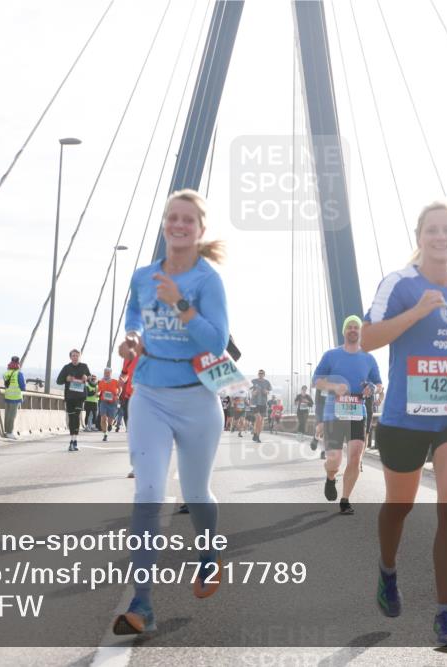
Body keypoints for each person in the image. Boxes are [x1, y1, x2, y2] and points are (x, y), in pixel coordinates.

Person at [361, 201, 447, 648]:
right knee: (399, 506)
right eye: (432, 230)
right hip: (405, 416)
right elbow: (367, 338)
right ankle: (387, 569)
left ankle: (445, 615)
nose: (440, 237)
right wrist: (416, 312)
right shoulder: (400, 284)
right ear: (419, 236)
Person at [112, 189, 230, 635]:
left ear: (200, 230)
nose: (178, 225)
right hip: (150, 396)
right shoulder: (143, 276)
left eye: (188, 220)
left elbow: (216, 340)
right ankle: (142, 603)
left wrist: (181, 303)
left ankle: (208, 552)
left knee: (196, 494)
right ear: (164, 224)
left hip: (198, 398)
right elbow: (134, 312)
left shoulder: (207, 281)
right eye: (172, 218)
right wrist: (131, 337)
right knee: (147, 492)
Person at [313, 316, 382, 515]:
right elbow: (316, 381)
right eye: (349, 327)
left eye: (356, 327)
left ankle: (345, 499)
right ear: (344, 331)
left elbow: (378, 383)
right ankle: (330, 477)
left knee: (355, 457)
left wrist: (372, 388)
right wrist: (334, 387)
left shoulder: (368, 358)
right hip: (333, 414)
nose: (352, 330)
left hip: (357, 413)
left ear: (360, 332)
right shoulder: (331, 355)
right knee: (334, 460)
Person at [56, 349, 90, 452]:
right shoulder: (66, 368)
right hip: (70, 397)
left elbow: (91, 380)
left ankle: (74, 441)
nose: (75, 357)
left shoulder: (84, 366)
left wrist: (87, 378)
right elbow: (58, 381)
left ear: (79, 357)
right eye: (73, 356)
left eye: (77, 356)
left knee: (76, 417)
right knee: (71, 419)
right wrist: (66, 379)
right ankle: (72, 440)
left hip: (80, 397)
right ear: (70, 357)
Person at [3, 356, 26, 439]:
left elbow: (6, 384)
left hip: (7, 396)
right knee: (12, 416)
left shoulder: (6, 373)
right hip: (15, 397)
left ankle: (6, 431)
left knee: (7, 414)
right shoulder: (19, 374)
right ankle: (10, 432)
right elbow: (23, 387)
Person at [97, 367, 121, 441]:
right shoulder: (101, 382)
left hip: (113, 402)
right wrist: (97, 393)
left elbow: (120, 388)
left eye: (108, 373)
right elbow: (98, 390)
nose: (106, 374)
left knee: (110, 420)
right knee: (103, 418)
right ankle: (105, 434)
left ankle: (110, 424)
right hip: (103, 402)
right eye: (105, 373)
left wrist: (118, 394)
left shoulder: (115, 381)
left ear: (111, 373)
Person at [250, 370, 272, 443]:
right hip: (255, 403)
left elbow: (269, 391)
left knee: (261, 421)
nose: (260, 374)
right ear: (258, 374)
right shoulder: (253, 381)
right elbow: (249, 391)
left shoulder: (267, 382)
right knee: (258, 418)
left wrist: (267, 392)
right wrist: (253, 393)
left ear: (264, 374)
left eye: (262, 373)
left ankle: (257, 435)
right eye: (259, 373)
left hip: (263, 403)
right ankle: (256, 433)